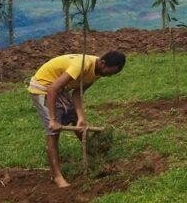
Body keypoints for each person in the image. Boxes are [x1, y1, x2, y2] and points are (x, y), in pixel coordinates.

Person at [28, 51, 126, 187]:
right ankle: (57, 176)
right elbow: (52, 90)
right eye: (110, 72)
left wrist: (81, 118)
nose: (109, 76)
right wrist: (53, 120)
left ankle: (93, 157)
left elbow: (76, 93)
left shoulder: (98, 71)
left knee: (77, 121)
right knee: (53, 132)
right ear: (103, 63)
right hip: (43, 87)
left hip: (60, 89)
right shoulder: (81, 65)